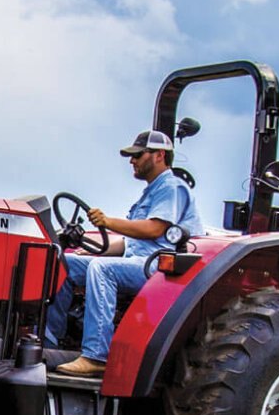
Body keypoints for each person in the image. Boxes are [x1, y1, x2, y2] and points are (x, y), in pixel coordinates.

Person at [46, 129, 203, 376]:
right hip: (136, 259)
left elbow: (154, 229)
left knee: (102, 269)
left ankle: (96, 355)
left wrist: (107, 222)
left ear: (159, 155)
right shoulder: (150, 192)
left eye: (138, 155)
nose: (132, 161)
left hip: (159, 267)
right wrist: (85, 244)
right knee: (64, 262)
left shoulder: (172, 187)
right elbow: (128, 243)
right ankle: (48, 343)